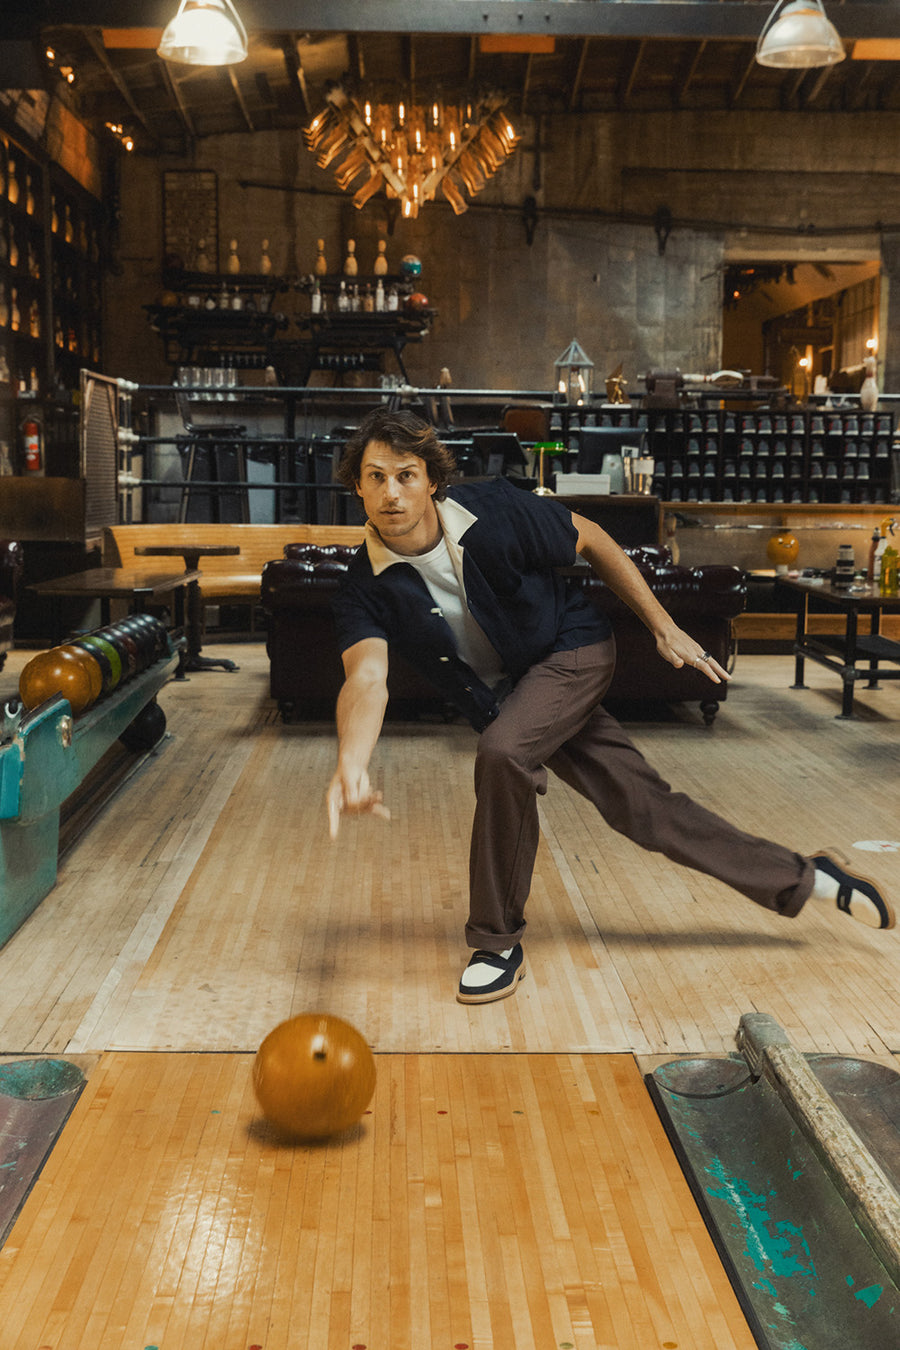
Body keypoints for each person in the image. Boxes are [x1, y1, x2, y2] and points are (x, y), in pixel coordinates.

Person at [325, 408, 894, 1005]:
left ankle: (496, 941)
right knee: (642, 807)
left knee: (501, 754)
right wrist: (352, 764)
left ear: (432, 480)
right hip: (509, 694)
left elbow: (591, 537)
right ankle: (810, 879)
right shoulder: (363, 585)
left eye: (406, 475)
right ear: (357, 485)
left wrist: (664, 626)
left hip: (570, 652)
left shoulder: (492, 512)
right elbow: (366, 678)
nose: (392, 492)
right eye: (376, 476)